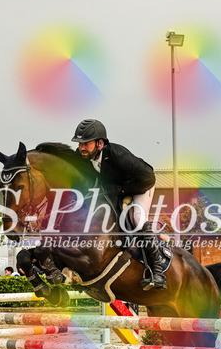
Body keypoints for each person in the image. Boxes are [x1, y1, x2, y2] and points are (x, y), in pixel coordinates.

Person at [72, 119, 167, 290]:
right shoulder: (82, 157)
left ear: (100, 143)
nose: (81, 148)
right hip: (116, 189)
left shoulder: (117, 155)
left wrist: (120, 190)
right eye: (80, 144)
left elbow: (147, 178)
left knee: (137, 218)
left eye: (86, 143)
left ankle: (158, 272)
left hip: (141, 184)